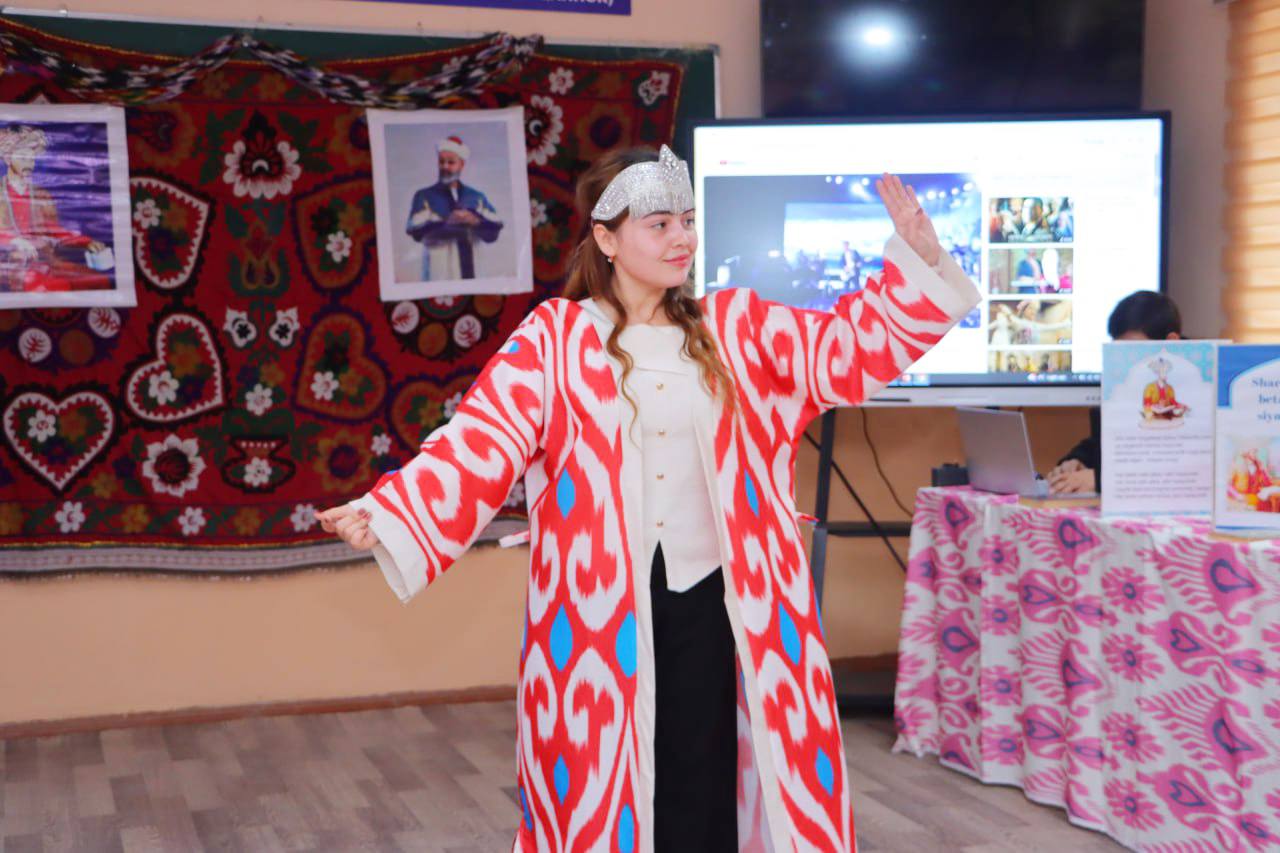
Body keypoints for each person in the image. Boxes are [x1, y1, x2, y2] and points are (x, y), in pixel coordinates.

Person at [318, 145, 979, 852]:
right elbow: (481, 436)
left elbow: (849, 349)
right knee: (604, 781)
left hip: (722, 600)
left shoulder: (739, 329)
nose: (681, 238)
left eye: (687, 221)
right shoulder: (555, 340)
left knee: (707, 771)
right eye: (659, 224)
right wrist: (393, 510)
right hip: (599, 612)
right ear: (606, 239)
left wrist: (920, 260)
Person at [1049, 290, 1182, 495]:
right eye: (1118, 352)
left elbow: (1172, 465)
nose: (1125, 362)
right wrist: (1076, 461)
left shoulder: (1199, 388)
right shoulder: (1129, 383)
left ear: (1171, 342)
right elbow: (1103, 442)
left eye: (1132, 352)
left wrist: (1100, 480)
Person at [0, 124, 110, 293]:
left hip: (46, 261)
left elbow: (54, 230)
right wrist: (16, 241)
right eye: (23, 158)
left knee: (99, 280)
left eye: (32, 159)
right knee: (57, 288)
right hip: (12, 266)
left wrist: (86, 242)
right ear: (8, 159)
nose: (29, 164)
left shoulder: (41, 194)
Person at [405, 135, 502, 281]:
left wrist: (475, 221)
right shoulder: (424, 196)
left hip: (475, 276)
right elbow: (416, 232)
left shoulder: (477, 197)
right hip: (438, 276)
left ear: (461, 164)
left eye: (450, 162)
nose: (445, 166)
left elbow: (494, 232)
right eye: (441, 161)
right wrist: (447, 223)